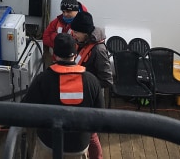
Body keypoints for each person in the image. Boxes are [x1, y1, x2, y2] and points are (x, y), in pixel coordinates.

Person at [22, 33, 104, 159]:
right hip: (79, 146)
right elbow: (100, 115)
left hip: (49, 145)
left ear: (54, 54)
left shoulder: (43, 80)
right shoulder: (91, 81)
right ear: (75, 54)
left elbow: (25, 109)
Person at [70, 11, 112, 159]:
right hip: (81, 93)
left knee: (91, 134)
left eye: (76, 32)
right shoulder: (83, 43)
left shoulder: (98, 50)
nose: (73, 34)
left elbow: (107, 80)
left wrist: (89, 84)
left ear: (86, 32)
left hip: (91, 96)